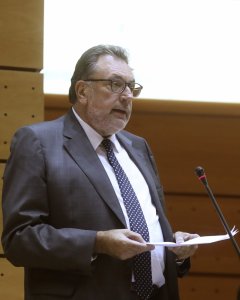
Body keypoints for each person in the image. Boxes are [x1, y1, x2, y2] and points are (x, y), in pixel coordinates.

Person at [1, 45, 198, 300]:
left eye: (131, 87)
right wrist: (97, 242)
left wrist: (175, 249)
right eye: (115, 84)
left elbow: (149, 226)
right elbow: (19, 239)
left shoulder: (138, 147)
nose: (127, 96)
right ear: (83, 91)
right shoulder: (39, 142)